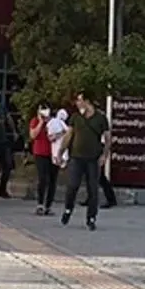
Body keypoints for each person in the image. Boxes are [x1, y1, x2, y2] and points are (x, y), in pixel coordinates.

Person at [60, 91, 110, 231]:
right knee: (72, 185)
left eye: (80, 100)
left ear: (87, 101)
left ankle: (91, 218)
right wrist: (61, 151)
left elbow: (107, 138)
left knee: (93, 189)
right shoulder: (76, 117)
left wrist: (104, 155)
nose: (77, 103)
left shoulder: (100, 118)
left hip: (93, 159)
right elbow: (68, 135)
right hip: (76, 157)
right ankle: (68, 209)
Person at [30, 104, 59, 215]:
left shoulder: (54, 122)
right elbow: (33, 135)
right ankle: (40, 204)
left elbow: (61, 133)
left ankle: (48, 205)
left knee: (52, 179)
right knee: (43, 178)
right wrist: (41, 122)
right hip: (40, 153)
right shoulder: (35, 121)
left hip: (53, 153)